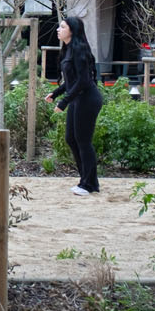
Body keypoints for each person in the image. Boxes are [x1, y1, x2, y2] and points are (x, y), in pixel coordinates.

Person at [48, 15, 103, 196]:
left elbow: (83, 81)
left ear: (72, 31)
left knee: (83, 141)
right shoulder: (68, 49)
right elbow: (71, 81)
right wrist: (55, 93)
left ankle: (88, 185)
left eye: (62, 27)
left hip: (88, 99)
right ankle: (87, 181)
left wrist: (63, 102)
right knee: (71, 138)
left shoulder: (79, 50)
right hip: (77, 98)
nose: (58, 30)